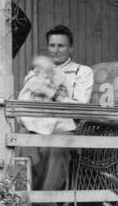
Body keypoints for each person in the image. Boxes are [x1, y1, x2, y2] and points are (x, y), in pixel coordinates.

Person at [27, 25, 94, 190]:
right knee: (22, 143)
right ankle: (24, 201)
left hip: (67, 125)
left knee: (56, 146)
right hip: (38, 124)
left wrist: (55, 95)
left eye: (61, 46)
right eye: (52, 45)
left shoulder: (82, 71)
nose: (55, 50)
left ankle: (46, 201)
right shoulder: (39, 72)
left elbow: (81, 106)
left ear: (70, 48)